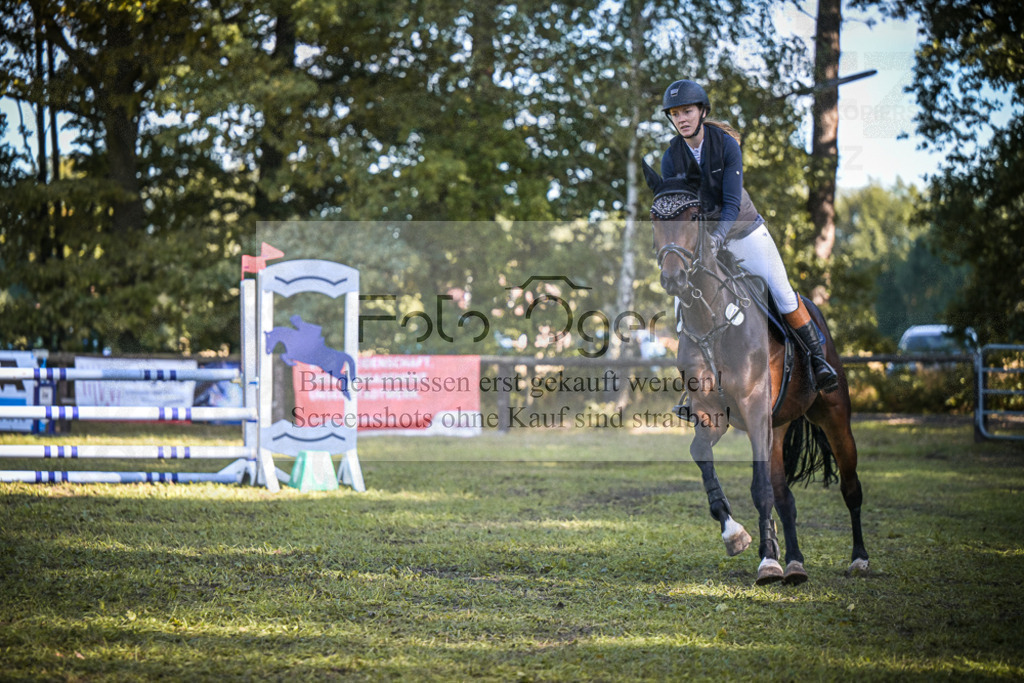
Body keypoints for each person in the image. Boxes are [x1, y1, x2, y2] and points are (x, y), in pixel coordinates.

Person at [659, 79, 839, 393]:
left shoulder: (726, 146)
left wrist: (716, 239)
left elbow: (730, 203)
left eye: (686, 111)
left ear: (702, 111)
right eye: (674, 114)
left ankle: (817, 361)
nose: (681, 119)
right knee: (681, 304)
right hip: (701, 244)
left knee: (781, 292)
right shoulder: (671, 157)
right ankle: (695, 389)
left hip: (743, 231)